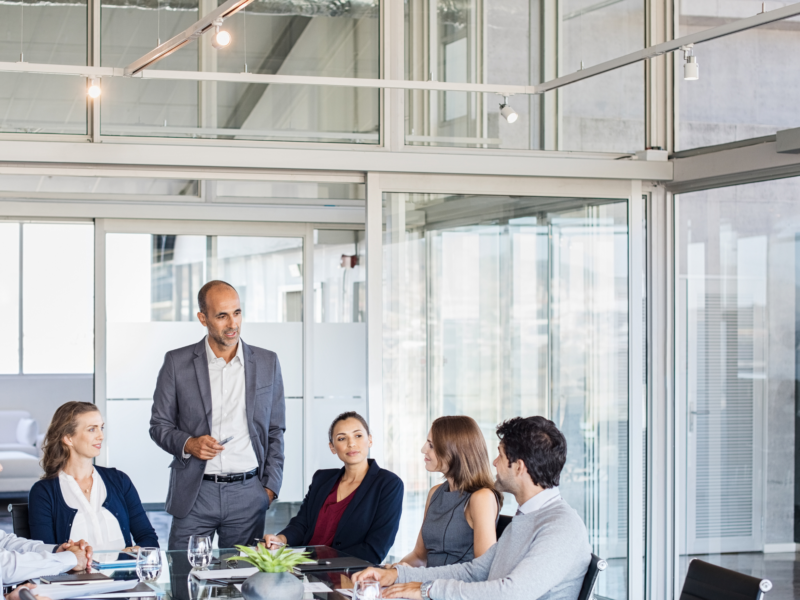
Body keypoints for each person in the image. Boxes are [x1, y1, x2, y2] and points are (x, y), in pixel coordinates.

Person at [353, 416, 591, 600]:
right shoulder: (526, 517)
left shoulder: (561, 526)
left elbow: (513, 593)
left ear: (518, 467)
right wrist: (397, 575)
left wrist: (428, 590)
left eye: (499, 455)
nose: (494, 462)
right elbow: (475, 571)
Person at [150, 280, 286, 551]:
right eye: (222, 315)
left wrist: (269, 488)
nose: (232, 323)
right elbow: (159, 425)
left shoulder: (267, 361)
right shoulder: (177, 362)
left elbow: (275, 430)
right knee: (182, 578)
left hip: (248, 493)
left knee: (239, 584)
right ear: (203, 318)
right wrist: (189, 443)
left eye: (237, 312)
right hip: (195, 492)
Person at [262, 412, 403, 564]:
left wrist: (320, 563)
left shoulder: (388, 484)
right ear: (332, 447)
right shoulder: (322, 479)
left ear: (369, 440)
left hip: (347, 576)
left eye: (358, 436)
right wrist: (280, 540)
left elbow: (375, 549)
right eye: (342, 438)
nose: (351, 443)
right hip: (303, 570)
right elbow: (301, 524)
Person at [28, 402, 158, 551]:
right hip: (76, 575)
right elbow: (44, 554)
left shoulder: (119, 480)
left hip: (122, 574)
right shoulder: (43, 492)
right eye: (92, 429)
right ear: (68, 438)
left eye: (101, 428)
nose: (101, 436)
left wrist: (133, 553)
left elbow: (149, 539)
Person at [394, 416, 501, 567]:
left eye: (431, 445)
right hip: (425, 584)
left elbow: (482, 569)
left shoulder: (482, 497)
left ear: (455, 450)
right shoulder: (435, 493)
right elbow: (419, 557)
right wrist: (390, 571)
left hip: (453, 588)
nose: (423, 449)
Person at [0, 462, 91, 588]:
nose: (1, 467)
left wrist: (57, 550)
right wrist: (70, 558)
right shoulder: (44, 490)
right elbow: (5, 567)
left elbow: (3, 542)